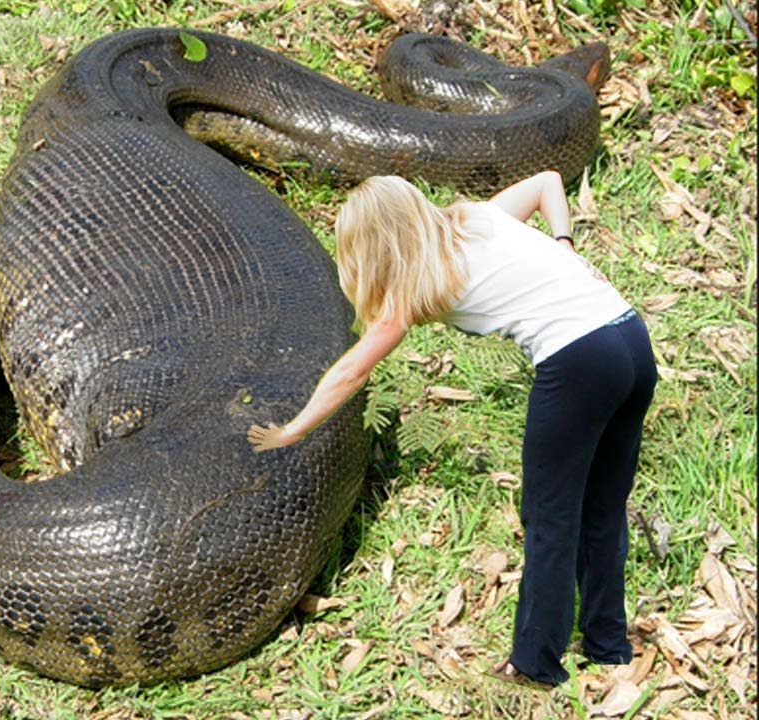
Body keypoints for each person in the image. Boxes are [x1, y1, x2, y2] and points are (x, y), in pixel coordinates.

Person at [247, 172, 657, 688]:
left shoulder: (414, 287)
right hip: (631, 337)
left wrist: (294, 428)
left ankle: (535, 663)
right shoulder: (477, 218)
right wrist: (565, 244)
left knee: (549, 515)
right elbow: (549, 182)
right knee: (601, 506)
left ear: (372, 244)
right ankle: (608, 645)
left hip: (580, 360)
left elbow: (352, 371)